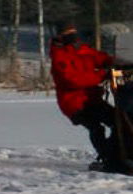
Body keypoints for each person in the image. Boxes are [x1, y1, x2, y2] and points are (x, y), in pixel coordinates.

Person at [49, 24, 119, 169]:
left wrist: (118, 62)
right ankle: (106, 157)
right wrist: (101, 75)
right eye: (68, 32)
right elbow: (72, 79)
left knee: (118, 121)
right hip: (74, 103)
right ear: (60, 36)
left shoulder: (83, 50)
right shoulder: (59, 57)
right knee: (96, 127)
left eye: (74, 31)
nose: (73, 34)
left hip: (92, 99)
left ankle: (116, 153)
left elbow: (102, 58)